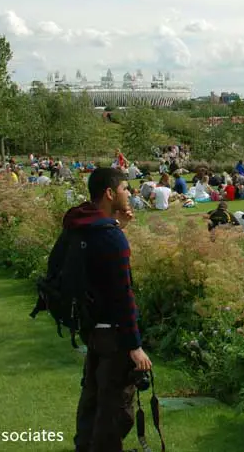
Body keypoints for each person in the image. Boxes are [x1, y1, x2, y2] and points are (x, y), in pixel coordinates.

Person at [67, 168, 152, 452]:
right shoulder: (110, 237)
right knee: (114, 409)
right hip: (113, 336)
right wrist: (135, 345)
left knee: (92, 400)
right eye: (125, 189)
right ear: (109, 193)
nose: (129, 193)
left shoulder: (83, 226)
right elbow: (122, 295)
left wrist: (116, 226)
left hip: (92, 329)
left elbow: (95, 268)